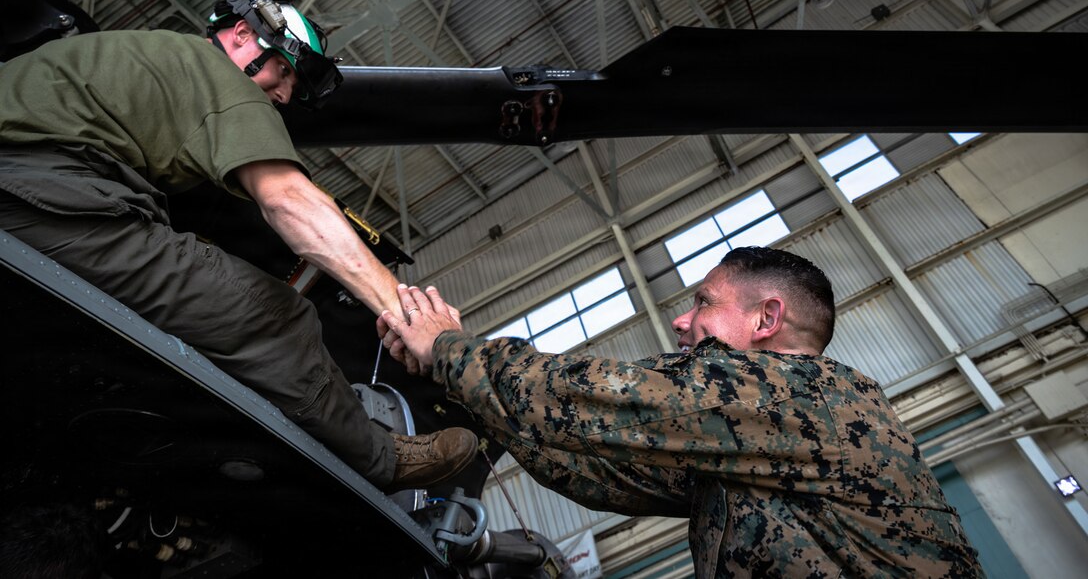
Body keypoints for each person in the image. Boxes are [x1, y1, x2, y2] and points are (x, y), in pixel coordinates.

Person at [0, 0, 476, 492]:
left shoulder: (148, 59)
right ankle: (381, 460)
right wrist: (412, 317)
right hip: (40, 191)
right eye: (287, 69)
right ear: (243, 37)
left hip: (37, 190)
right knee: (276, 317)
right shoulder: (218, 79)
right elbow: (290, 203)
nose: (286, 93)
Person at [377, 246, 983, 577]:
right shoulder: (751, 447)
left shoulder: (808, 394)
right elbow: (595, 466)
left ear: (766, 319)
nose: (681, 320)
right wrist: (467, 393)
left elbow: (595, 396)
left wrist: (449, 349)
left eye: (704, 303)